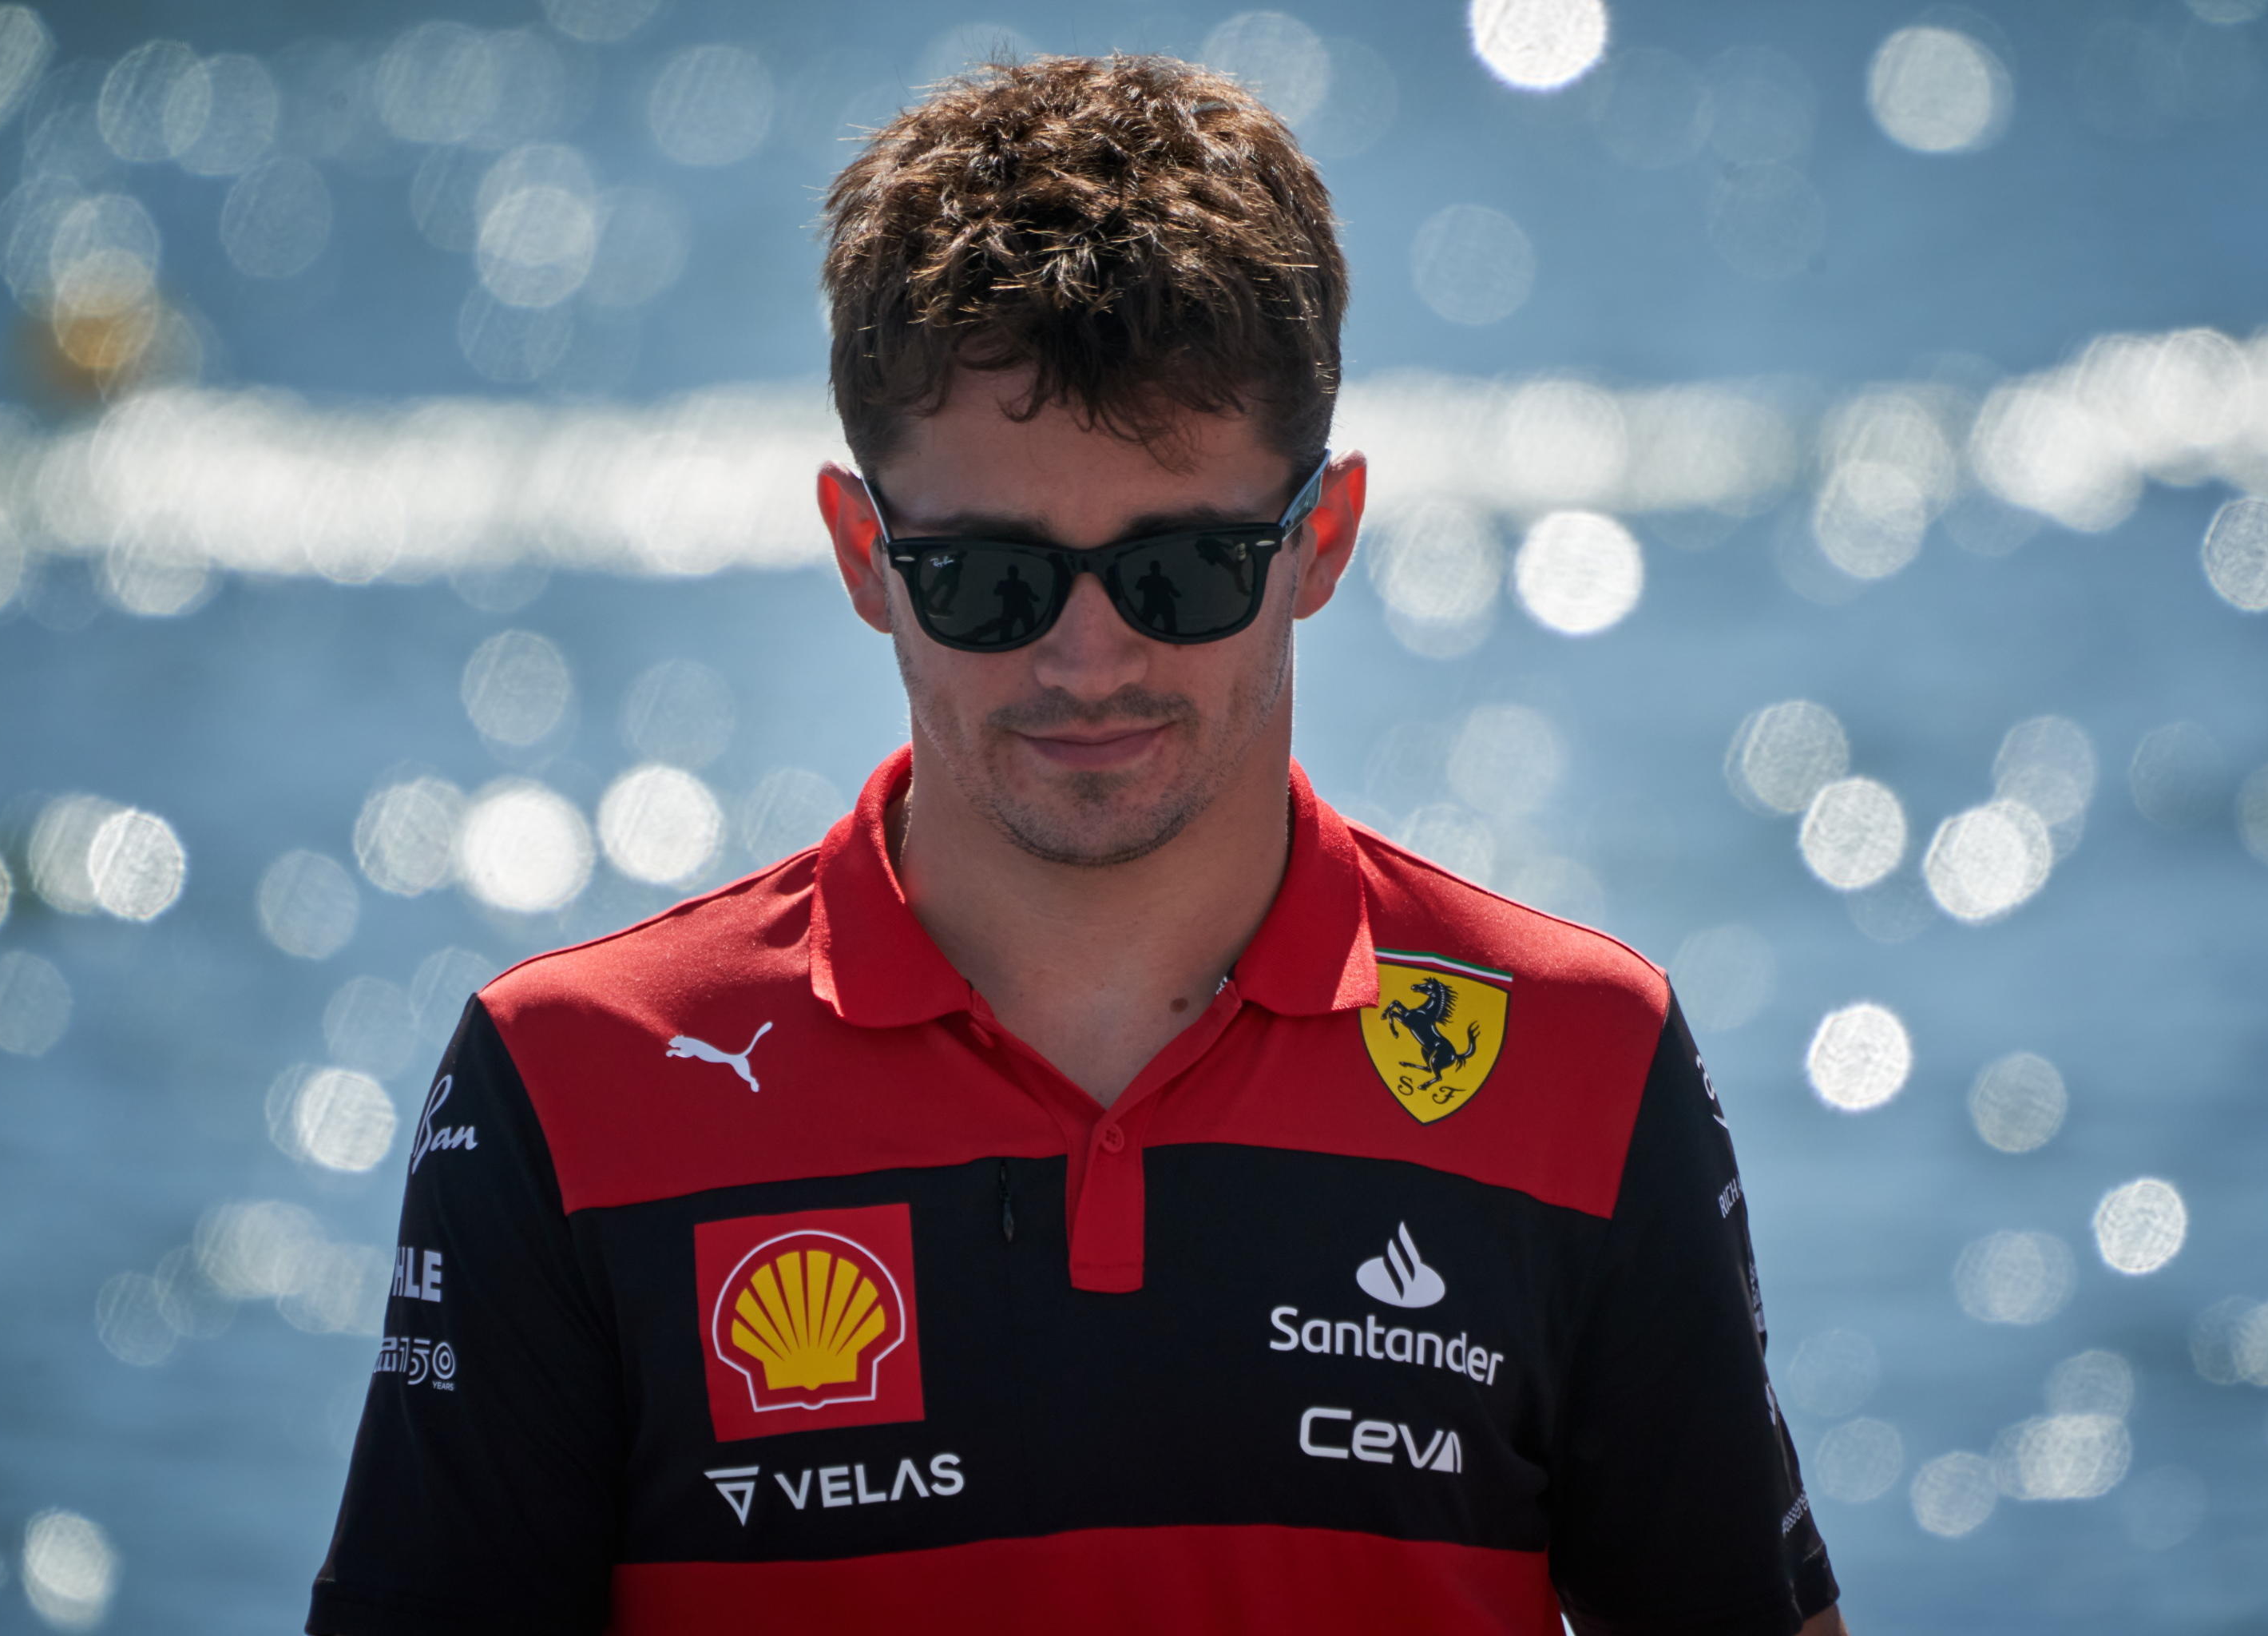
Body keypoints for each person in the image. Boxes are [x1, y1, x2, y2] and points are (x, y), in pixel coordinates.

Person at [307, 54, 1843, 1636]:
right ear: (862, 554)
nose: (1088, 661)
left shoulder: (1585, 1061)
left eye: (1181, 570)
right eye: (993, 580)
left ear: (1320, 542)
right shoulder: (570, 1086)